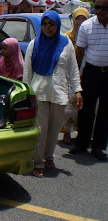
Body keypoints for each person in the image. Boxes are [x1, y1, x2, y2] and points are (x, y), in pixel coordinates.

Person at [23, 10, 83, 178]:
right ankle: (38, 162)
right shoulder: (34, 44)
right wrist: (27, 94)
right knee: (40, 129)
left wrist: (77, 90)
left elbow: (73, 69)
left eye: (51, 24)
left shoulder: (66, 44)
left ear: (57, 25)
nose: (48, 27)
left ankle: (49, 157)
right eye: (45, 24)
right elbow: (27, 72)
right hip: (39, 92)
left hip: (59, 92)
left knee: (54, 129)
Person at [70, 0, 108, 161]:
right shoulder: (86, 26)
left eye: (104, 7)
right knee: (86, 110)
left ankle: (98, 146)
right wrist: (75, 79)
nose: (100, 11)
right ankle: (82, 142)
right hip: (91, 72)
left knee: (105, 112)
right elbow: (79, 54)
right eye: (97, 7)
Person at [61, 7, 90, 144]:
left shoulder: (90, 35)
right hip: (70, 75)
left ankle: (83, 133)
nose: (80, 21)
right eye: (78, 18)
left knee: (85, 106)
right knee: (69, 106)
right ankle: (67, 133)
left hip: (87, 73)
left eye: (83, 18)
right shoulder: (67, 36)